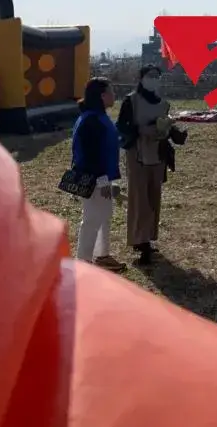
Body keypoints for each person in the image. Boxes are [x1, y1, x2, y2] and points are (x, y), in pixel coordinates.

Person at [116, 64, 169, 266]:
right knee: (140, 201)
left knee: (154, 199)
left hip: (157, 155)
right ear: (141, 78)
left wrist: (169, 130)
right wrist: (140, 130)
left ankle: (148, 238)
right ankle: (140, 241)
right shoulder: (131, 101)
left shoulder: (163, 103)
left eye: (157, 75)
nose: (153, 79)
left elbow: (165, 124)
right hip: (137, 155)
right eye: (150, 75)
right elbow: (121, 126)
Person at [71, 77, 125, 272]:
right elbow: (91, 155)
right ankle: (83, 262)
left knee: (104, 215)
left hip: (102, 177)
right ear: (102, 96)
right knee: (92, 219)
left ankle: (102, 255)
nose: (114, 95)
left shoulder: (98, 117)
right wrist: (102, 181)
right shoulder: (91, 120)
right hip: (93, 178)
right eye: (111, 91)